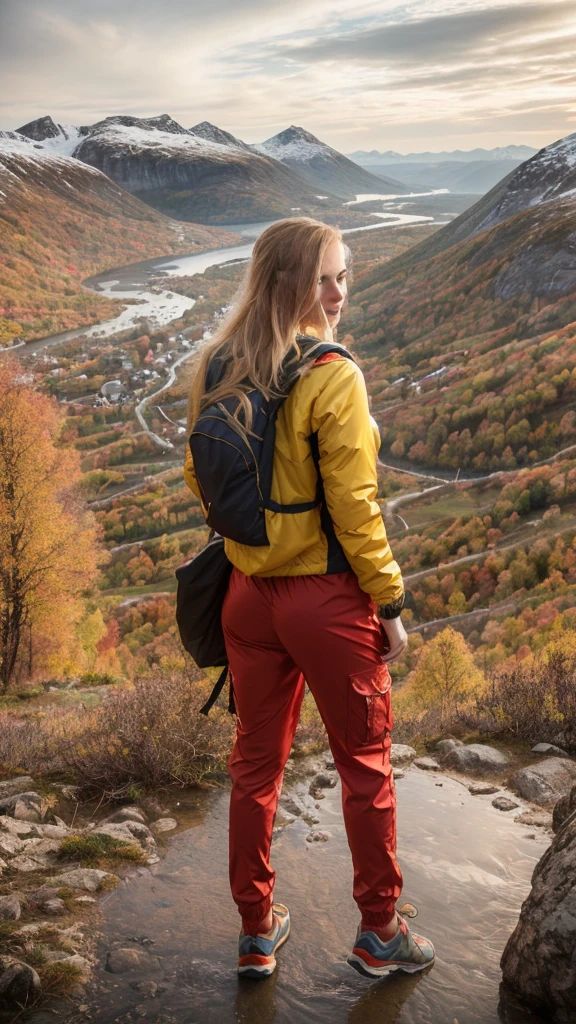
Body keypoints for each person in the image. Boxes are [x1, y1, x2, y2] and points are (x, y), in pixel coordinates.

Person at [184, 217, 435, 980]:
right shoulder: (333, 373)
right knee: (364, 765)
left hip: (246, 597)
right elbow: (356, 507)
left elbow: (203, 482)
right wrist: (388, 604)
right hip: (324, 602)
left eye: (345, 276)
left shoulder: (216, 365)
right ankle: (379, 932)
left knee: (255, 768)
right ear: (287, 283)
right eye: (325, 277)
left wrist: (256, 547)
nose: (337, 294)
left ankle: (257, 932)